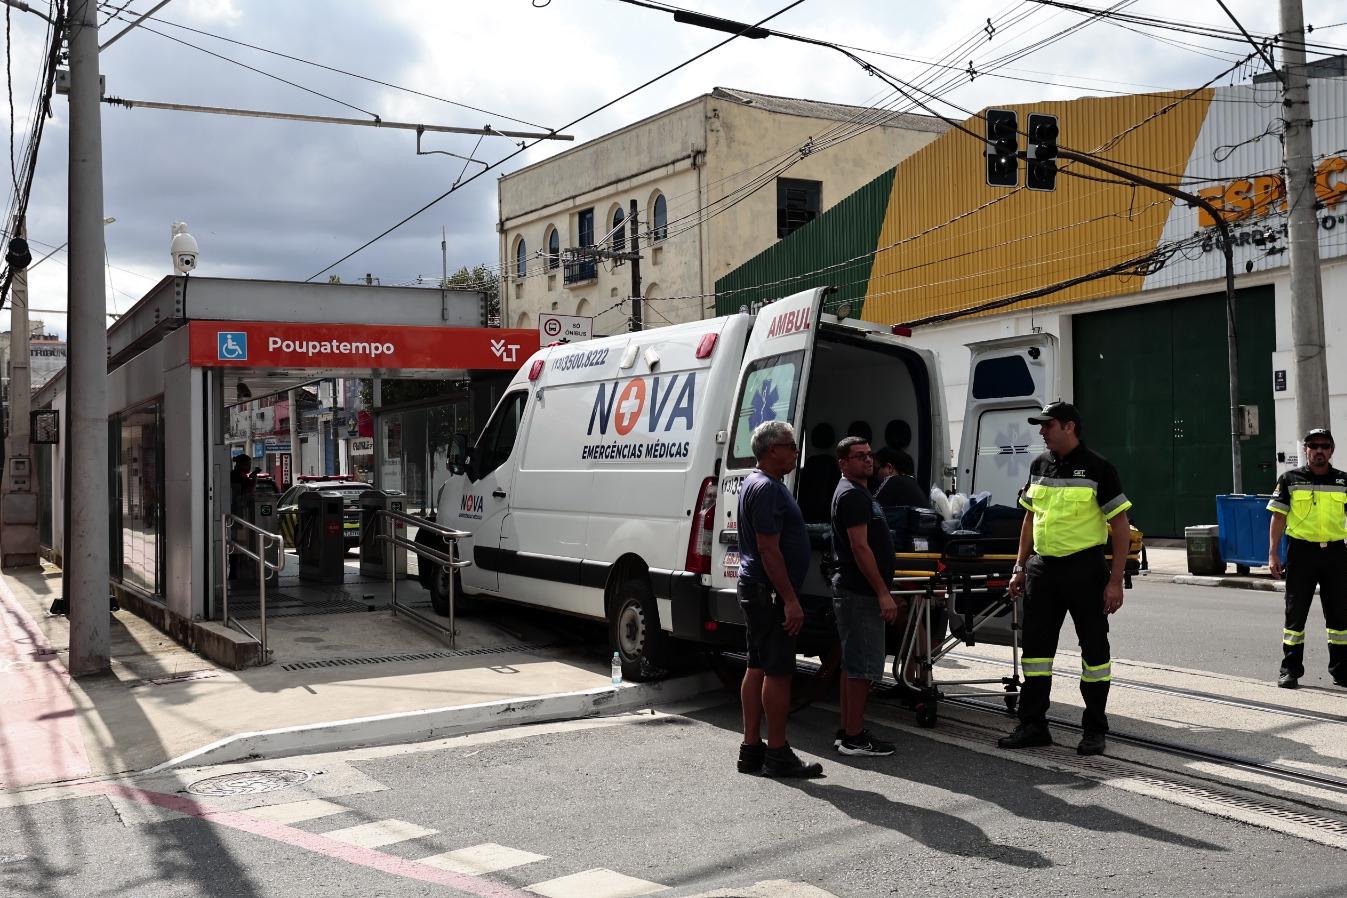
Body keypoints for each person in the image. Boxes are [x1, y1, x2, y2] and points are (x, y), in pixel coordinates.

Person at [1001, 401, 1131, 757]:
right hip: (1043, 570)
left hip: (1085, 570)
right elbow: (1029, 520)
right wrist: (1019, 566)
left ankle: (1094, 730)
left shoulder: (1099, 469)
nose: (1042, 431)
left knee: (1094, 652)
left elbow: (1119, 527)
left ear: (1069, 426)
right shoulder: (1038, 465)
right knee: (1036, 652)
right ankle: (1033, 725)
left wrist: (1115, 580)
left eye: (1048, 425)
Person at [735, 420, 824, 778]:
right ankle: (777, 752)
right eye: (791, 445)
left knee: (757, 665)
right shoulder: (769, 489)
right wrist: (789, 599)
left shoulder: (755, 483)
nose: (796, 451)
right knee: (778, 671)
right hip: (769, 593)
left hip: (756, 589)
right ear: (773, 449)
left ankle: (751, 749)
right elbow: (769, 550)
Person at [830, 437, 900, 757]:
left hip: (855, 592)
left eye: (869, 455)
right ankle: (854, 738)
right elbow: (860, 547)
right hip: (860, 594)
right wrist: (883, 593)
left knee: (852, 665)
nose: (868, 460)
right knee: (861, 669)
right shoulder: (852, 496)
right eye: (859, 456)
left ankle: (848, 729)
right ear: (843, 463)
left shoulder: (858, 493)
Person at [1267, 428, 1347, 689]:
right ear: (1306, 450)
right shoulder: (1289, 479)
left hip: (1336, 553)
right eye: (1313, 446)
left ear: (1332, 450)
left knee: (1339, 617)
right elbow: (1278, 517)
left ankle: (1341, 670)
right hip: (1301, 554)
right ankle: (1290, 670)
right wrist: (1272, 554)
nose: (1319, 450)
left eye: (1324, 445)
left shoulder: (1343, 481)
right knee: (1295, 616)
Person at [228, 454, 255, 580]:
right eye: (247, 464)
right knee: (236, 543)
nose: (249, 467)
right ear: (240, 464)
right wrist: (253, 480)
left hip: (238, 516)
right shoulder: (238, 477)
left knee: (237, 543)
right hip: (238, 516)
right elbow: (246, 494)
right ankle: (234, 570)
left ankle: (235, 569)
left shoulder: (237, 476)